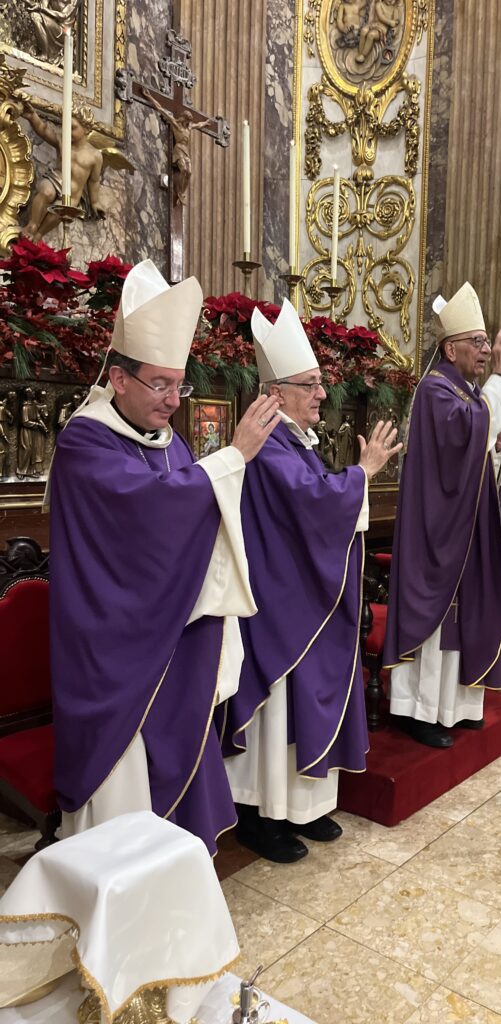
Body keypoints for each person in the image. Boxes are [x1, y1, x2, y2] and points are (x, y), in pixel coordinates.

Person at [48, 259, 280, 855]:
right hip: (113, 645)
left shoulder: (167, 440)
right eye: (160, 385)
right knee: (121, 784)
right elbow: (149, 512)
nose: (174, 401)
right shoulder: (85, 441)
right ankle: (108, 881)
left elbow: (188, 520)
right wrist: (233, 459)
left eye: (180, 385)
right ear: (119, 379)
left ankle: (170, 876)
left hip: (172, 638)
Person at [222, 299, 400, 862]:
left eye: (321, 383)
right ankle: (261, 815)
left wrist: (354, 479)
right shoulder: (268, 443)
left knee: (301, 706)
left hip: (302, 596)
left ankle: (303, 807)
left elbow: (316, 507)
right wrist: (364, 472)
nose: (324, 394)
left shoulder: (289, 439)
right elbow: (309, 503)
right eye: (312, 384)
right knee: (278, 708)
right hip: (279, 604)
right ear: (276, 392)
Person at [383, 282, 501, 748]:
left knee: (465, 613)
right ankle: (416, 710)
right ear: (450, 348)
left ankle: (455, 706)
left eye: (486, 344)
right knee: (437, 615)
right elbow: (465, 431)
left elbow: (475, 451)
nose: (484, 352)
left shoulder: (465, 390)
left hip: (466, 522)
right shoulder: (436, 390)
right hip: (436, 528)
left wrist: (497, 450)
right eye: (477, 344)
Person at [21, 103, 106, 241]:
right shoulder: (63, 140)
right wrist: (32, 117)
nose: (68, 132)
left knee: (62, 209)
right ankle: (33, 225)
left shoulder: (95, 155)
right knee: (46, 192)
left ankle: (39, 234)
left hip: (73, 194)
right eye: (66, 127)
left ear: (86, 128)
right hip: (56, 179)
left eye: (72, 128)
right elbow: (43, 130)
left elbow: (94, 181)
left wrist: (95, 201)